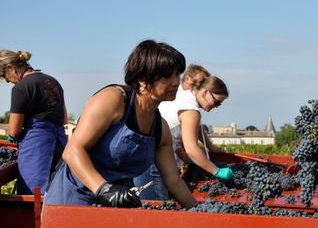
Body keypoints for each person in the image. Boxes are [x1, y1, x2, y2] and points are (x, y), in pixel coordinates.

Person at [43, 40, 197, 209]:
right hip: (73, 200)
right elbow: (73, 151)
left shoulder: (160, 129)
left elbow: (173, 181)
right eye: (168, 76)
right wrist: (104, 188)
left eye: (177, 75)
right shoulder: (114, 100)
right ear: (143, 79)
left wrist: (199, 212)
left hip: (116, 205)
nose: (176, 82)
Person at [134, 73, 231, 200]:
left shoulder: (184, 95)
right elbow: (191, 150)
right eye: (216, 102)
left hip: (142, 157)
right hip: (154, 163)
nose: (216, 107)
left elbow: (172, 130)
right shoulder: (191, 111)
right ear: (206, 93)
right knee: (158, 211)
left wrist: (210, 146)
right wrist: (217, 171)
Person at [0, 49, 67, 195]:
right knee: (56, 194)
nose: (7, 81)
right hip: (60, 144)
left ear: (11, 68)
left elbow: (13, 130)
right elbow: (64, 119)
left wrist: (14, 137)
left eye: (5, 77)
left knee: (33, 196)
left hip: (37, 147)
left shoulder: (21, 87)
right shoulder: (53, 82)